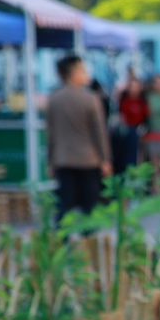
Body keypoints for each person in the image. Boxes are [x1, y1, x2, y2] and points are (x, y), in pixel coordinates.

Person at [46, 54, 112, 218]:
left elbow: (51, 134)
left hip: (63, 159)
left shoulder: (53, 99)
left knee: (65, 204)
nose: (86, 74)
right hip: (89, 160)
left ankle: (62, 232)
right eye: (83, 70)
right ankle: (86, 233)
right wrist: (105, 159)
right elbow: (99, 133)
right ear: (74, 74)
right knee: (88, 206)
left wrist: (51, 161)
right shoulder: (91, 99)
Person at [114, 75, 149, 175]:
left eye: (136, 86)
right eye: (132, 86)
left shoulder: (143, 101)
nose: (134, 89)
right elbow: (121, 116)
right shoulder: (124, 101)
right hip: (126, 134)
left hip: (139, 133)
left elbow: (146, 116)